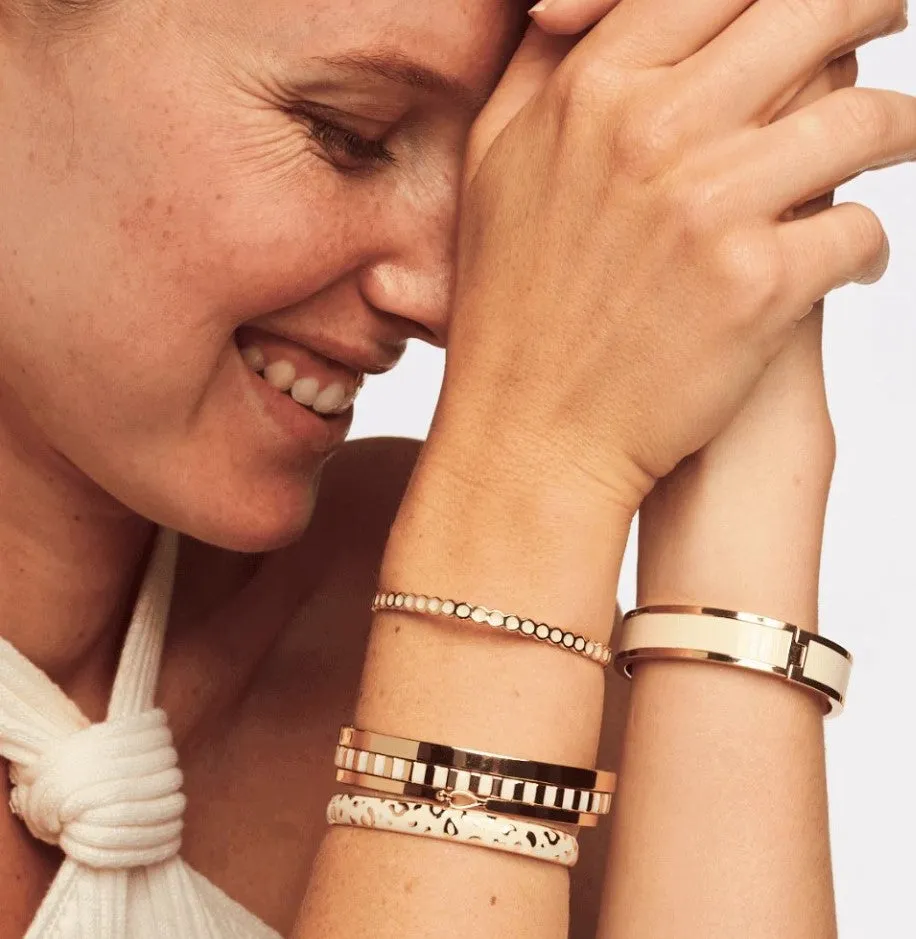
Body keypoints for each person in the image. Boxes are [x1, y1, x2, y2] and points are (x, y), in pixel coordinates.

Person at [0, 0, 911, 936]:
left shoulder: (376, 609)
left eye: (505, 167)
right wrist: (522, 488)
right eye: (348, 135)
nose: (447, 297)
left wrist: (736, 472)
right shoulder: (484, 572)